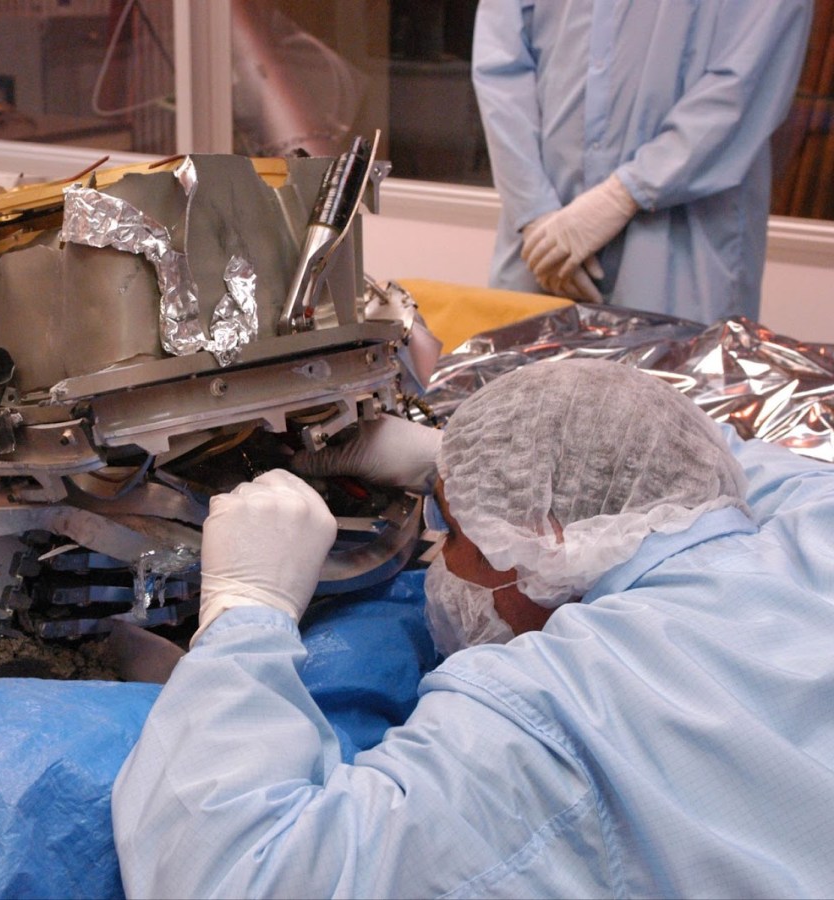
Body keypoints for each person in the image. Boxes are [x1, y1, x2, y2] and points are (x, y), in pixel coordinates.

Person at [111, 357, 834, 898]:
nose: (436, 547)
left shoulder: (552, 722)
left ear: (547, 548)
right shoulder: (815, 529)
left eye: (453, 530)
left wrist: (246, 610)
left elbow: (234, 871)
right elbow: (677, 450)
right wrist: (465, 458)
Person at [472, 1, 813, 323]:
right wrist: (533, 210)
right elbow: (500, 69)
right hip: (541, 246)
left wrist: (623, 195)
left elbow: (742, 83)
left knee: (673, 362)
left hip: (677, 246)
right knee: (525, 363)